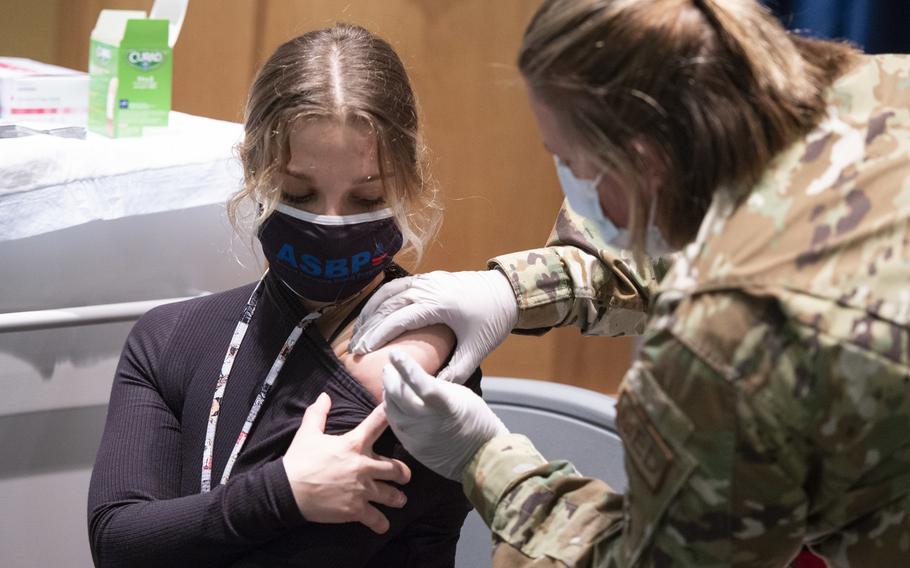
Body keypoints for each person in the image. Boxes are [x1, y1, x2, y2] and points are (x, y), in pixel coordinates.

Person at [356, 0, 910, 565]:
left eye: (566, 158)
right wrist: (518, 289)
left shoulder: (720, 342)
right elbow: (753, 229)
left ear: (644, 161)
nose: (572, 185)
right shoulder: (878, 85)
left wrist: (485, 459)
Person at [87, 24, 480, 568]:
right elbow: (119, 542)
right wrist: (283, 493)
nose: (332, 221)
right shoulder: (167, 337)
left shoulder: (423, 364)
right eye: (300, 192)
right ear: (254, 169)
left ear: (407, 181)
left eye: (367, 195)